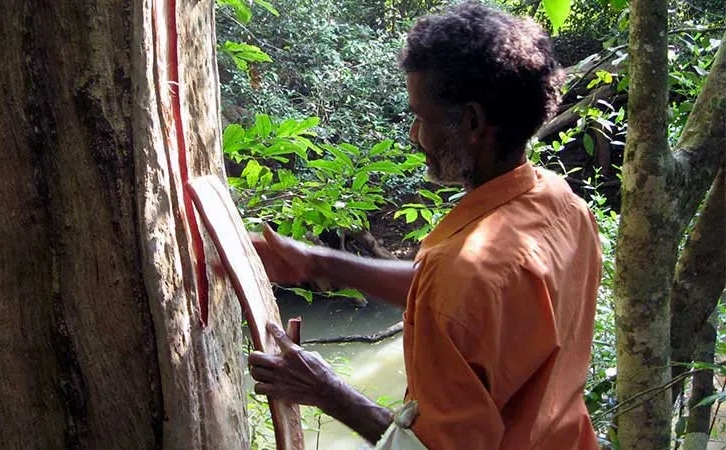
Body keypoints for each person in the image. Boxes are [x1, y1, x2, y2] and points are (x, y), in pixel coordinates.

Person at [246, 2, 603, 449]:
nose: (415, 134)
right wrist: (316, 261)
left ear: (472, 123)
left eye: (421, 116)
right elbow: (466, 306)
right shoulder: (561, 204)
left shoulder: (461, 272)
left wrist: (326, 389)